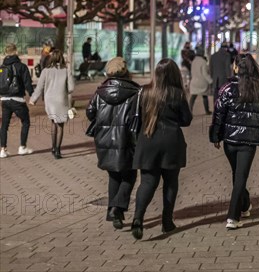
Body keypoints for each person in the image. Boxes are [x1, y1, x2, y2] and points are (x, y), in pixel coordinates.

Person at [131, 59, 193, 240]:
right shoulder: (177, 94)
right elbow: (186, 120)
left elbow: (138, 117)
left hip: (148, 139)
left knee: (147, 182)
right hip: (171, 142)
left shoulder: (144, 91)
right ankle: (167, 221)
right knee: (171, 182)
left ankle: (138, 218)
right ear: (175, 74)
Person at [210, 54, 259, 230]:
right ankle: (238, 211)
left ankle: (235, 213)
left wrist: (216, 136)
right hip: (248, 142)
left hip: (230, 140)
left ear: (236, 68)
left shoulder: (227, 88)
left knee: (238, 175)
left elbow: (218, 114)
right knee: (240, 176)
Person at [86, 57, 140, 229]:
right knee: (130, 174)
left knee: (114, 175)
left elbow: (90, 112)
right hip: (127, 139)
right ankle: (117, 207)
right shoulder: (135, 91)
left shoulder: (100, 91)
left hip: (104, 139)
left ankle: (112, 211)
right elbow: (137, 117)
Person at [30, 49, 74, 159]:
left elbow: (39, 87)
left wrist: (33, 99)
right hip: (61, 100)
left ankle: (53, 148)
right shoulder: (66, 70)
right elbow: (71, 88)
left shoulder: (45, 71)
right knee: (60, 125)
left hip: (50, 101)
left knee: (54, 123)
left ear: (51, 58)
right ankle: (58, 150)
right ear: (61, 58)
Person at [0, 43, 35, 158]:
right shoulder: (21, 66)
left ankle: (3, 150)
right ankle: (22, 147)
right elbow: (28, 83)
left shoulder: (1, 67)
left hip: (4, 100)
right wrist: (32, 96)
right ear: (15, 51)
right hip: (17, 100)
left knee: (4, 125)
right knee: (25, 122)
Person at [190, 47, 213, 114]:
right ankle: (207, 110)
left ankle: (189, 111)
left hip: (194, 81)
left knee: (193, 97)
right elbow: (205, 74)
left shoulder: (193, 61)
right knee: (205, 96)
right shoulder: (203, 61)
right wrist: (210, 81)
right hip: (202, 82)